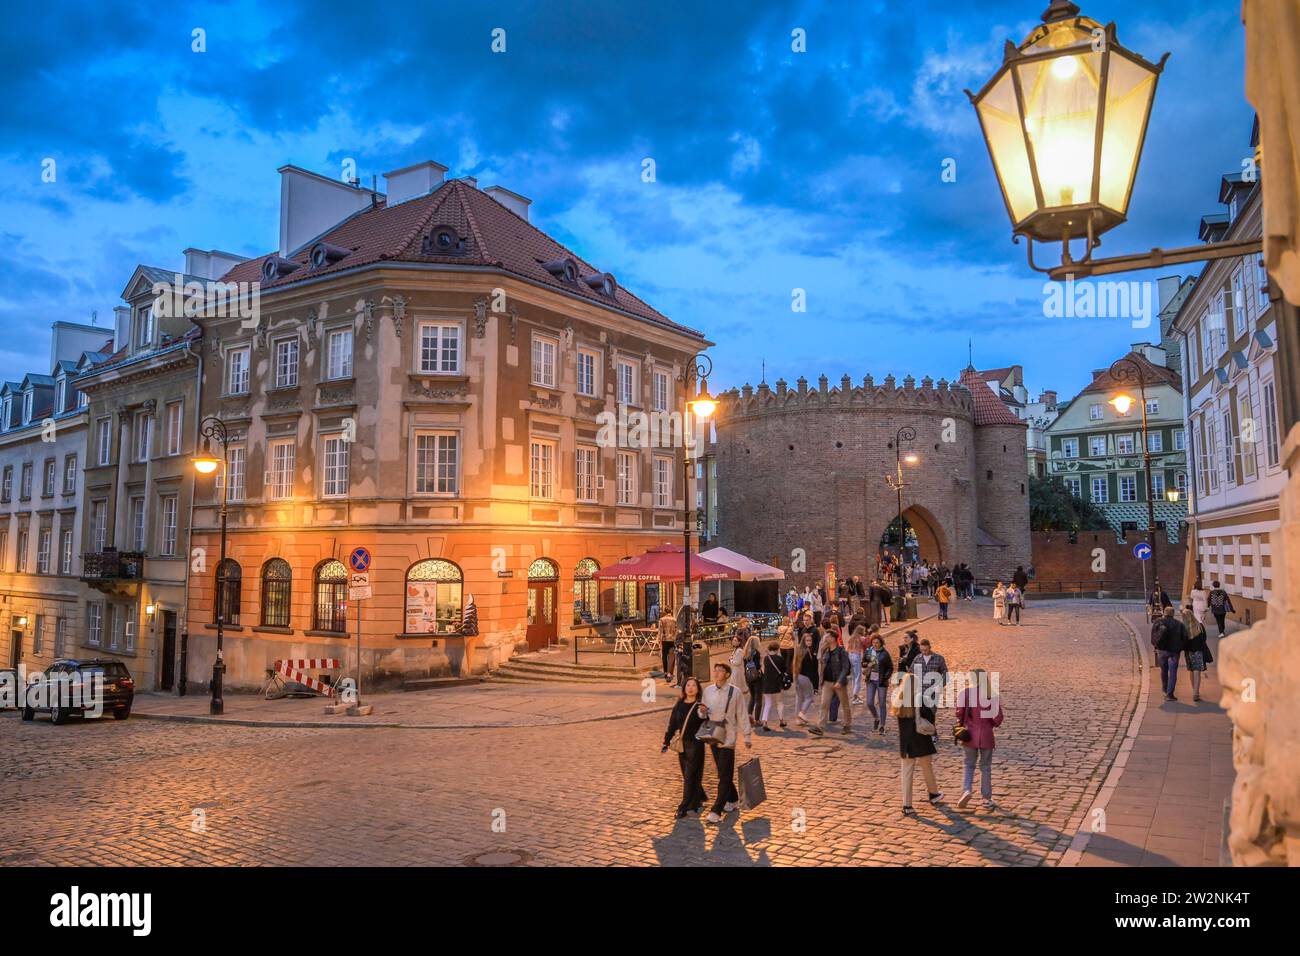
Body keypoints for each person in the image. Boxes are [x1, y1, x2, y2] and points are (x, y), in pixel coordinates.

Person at [699, 662, 752, 823]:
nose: (716, 673)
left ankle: (716, 810)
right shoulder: (708, 691)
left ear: (727, 674)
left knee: (724, 774)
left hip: (728, 737)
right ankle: (734, 799)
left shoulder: (735, 692)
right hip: (713, 736)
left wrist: (747, 736)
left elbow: (742, 714)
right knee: (723, 772)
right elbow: (702, 713)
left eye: (720, 671)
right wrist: (701, 712)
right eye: (715, 670)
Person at [892, 670, 943, 816]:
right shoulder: (920, 699)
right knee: (927, 767)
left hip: (906, 741)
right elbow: (930, 717)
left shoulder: (898, 701)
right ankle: (933, 794)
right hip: (920, 739)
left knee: (907, 774)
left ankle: (907, 805)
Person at [955, 668, 1004, 810]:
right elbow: (998, 718)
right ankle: (986, 798)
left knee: (969, 765)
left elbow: (959, 713)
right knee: (986, 767)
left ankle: (967, 790)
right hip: (986, 735)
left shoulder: (965, 693)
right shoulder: (991, 694)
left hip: (969, 734)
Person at [662, 676, 708, 819]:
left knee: (689, 776)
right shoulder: (680, 705)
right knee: (688, 774)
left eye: (694, 685)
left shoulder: (700, 706)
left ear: (698, 689)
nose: (690, 688)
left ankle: (684, 806)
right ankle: (698, 798)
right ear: (684, 688)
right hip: (682, 745)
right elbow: (673, 724)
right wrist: (666, 741)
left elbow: (707, 722)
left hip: (696, 745)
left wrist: (705, 714)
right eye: (688, 685)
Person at [809, 627, 852, 736]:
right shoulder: (826, 650)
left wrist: (840, 680)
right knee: (824, 704)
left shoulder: (841, 651)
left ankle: (847, 724)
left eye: (827, 636)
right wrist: (821, 681)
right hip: (827, 682)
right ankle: (820, 726)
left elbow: (846, 668)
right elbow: (823, 666)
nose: (825, 638)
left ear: (833, 638)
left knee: (844, 704)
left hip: (839, 682)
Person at [1152, 605, 1188, 702]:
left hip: (1162, 650)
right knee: (1173, 673)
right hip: (1174, 651)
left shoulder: (1158, 622)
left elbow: (1154, 636)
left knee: (1163, 670)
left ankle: (1164, 688)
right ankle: (1170, 694)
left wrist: (1156, 646)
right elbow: (1185, 637)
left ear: (1164, 613)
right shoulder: (1179, 624)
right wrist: (1181, 647)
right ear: (1173, 614)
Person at [1182, 606, 1213, 704]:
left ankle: (1194, 690)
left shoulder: (1184, 629)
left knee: (1191, 670)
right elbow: (1204, 639)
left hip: (1189, 652)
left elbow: (1183, 642)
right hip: (1199, 651)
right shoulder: (1200, 626)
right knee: (1197, 672)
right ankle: (1196, 693)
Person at [864, 631, 893, 734]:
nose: (875, 644)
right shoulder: (868, 651)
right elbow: (864, 663)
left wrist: (885, 677)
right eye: (873, 642)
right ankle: (876, 718)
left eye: (877, 642)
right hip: (870, 680)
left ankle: (882, 725)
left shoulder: (885, 653)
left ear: (881, 642)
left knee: (881, 703)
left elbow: (890, 667)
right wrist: (867, 665)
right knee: (869, 702)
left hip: (881, 681)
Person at [758, 641, 788, 731]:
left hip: (767, 683)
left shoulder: (766, 658)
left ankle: (765, 721)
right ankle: (781, 721)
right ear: (777, 649)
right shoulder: (780, 659)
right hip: (777, 683)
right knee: (779, 702)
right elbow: (784, 670)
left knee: (768, 703)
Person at [793, 630, 820, 725]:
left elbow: (795, 665)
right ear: (803, 641)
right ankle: (802, 713)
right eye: (807, 641)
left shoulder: (799, 651)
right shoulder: (808, 654)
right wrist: (816, 684)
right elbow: (812, 671)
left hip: (798, 676)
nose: (809, 642)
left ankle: (798, 719)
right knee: (809, 697)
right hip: (805, 677)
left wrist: (795, 679)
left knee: (799, 698)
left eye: (810, 640)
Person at [742, 626, 765, 723]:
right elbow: (757, 666)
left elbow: (745, 666)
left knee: (752, 696)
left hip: (748, 677)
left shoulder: (745, 654)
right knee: (758, 697)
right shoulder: (756, 653)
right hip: (756, 678)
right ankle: (757, 719)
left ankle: (749, 715)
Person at [847, 625, 865, 705]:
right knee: (858, 677)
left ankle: (855, 694)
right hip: (856, 656)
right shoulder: (861, 638)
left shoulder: (851, 638)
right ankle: (855, 696)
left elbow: (847, 649)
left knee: (854, 677)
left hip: (850, 655)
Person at [658, 614, 679, 683]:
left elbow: (660, 631)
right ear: (670, 612)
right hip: (672, 640)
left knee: (664, 656)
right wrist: (675, 638)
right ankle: (670, 672)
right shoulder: (674, 619)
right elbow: (677, 630)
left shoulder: (662, 619)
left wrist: (659, 640)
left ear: (665, 612)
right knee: (672, 657)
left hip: (665, 640)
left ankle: (666, 672)